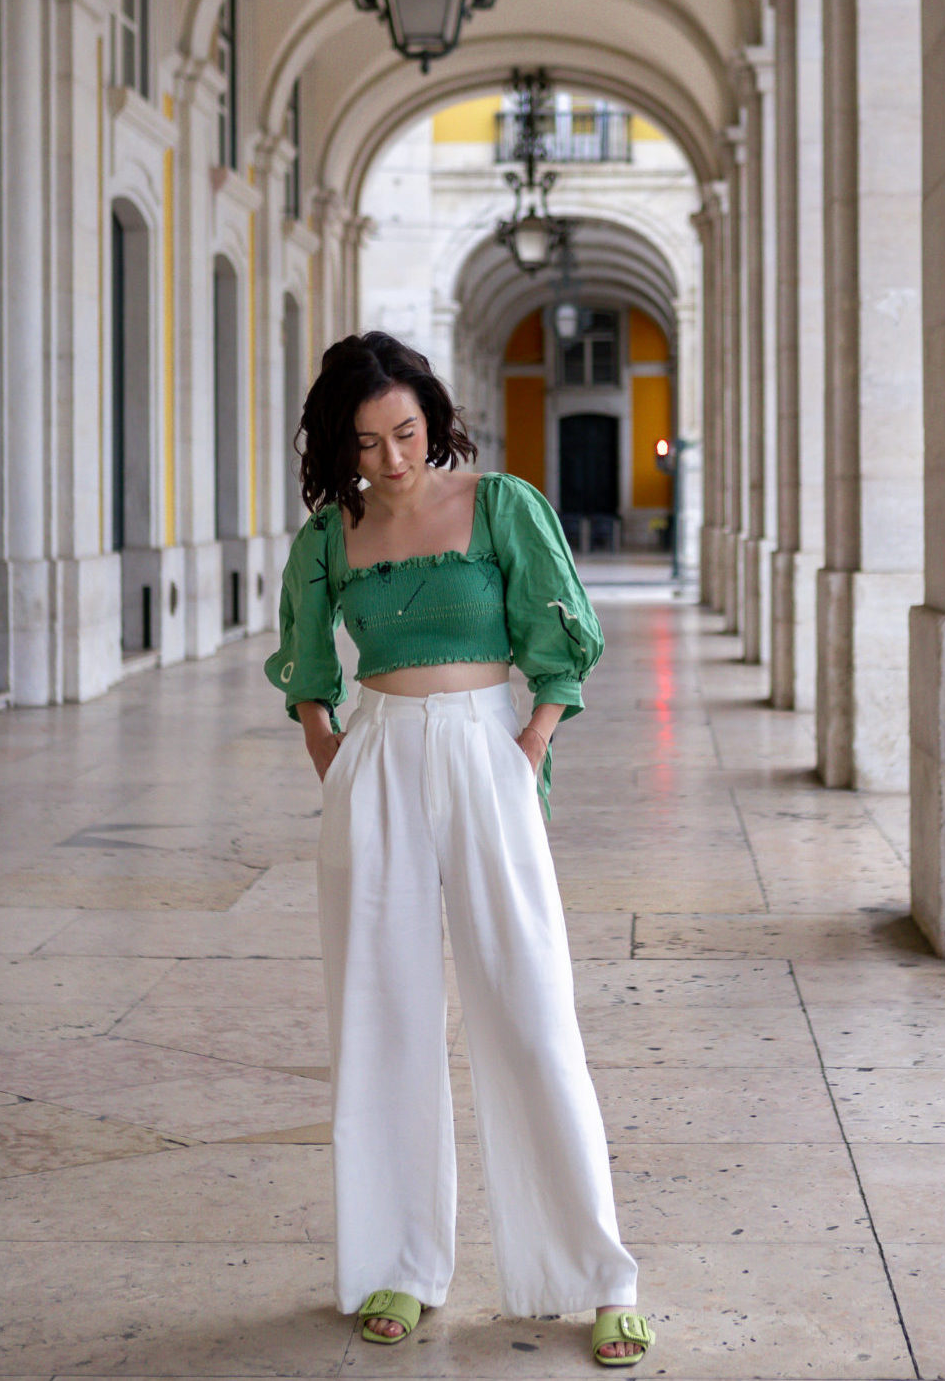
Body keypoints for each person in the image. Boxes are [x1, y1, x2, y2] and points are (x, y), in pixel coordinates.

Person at [265, 331, 655, 1369]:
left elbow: (556, 639)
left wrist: (527, 744)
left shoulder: (500, 504)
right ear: (338, 448)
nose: (394, 459)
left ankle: (597, 1276)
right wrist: (330, 754)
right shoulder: (328, 535)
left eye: (406, 432)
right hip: (377, 762)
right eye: (368, 443)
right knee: (381, 1021)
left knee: (530, 1015)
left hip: (486, 751)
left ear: (432, 418)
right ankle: (398, 1263)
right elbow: (305, 665)